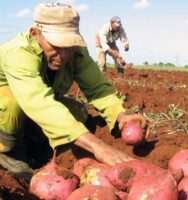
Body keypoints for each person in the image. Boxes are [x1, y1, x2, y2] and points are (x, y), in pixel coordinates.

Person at [0, 2, 145, 175]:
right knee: (10, 103)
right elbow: (39, 103)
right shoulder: (17, 53)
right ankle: (10, 153)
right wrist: (97, 146)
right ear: (35, 34)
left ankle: (34, 141)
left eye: (69, 47)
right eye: (56, 46)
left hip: (36, 107)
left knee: (78, 112)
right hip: (13, 107)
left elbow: (98, 88)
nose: (64, 55)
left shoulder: (76, 53)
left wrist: (120, 114)